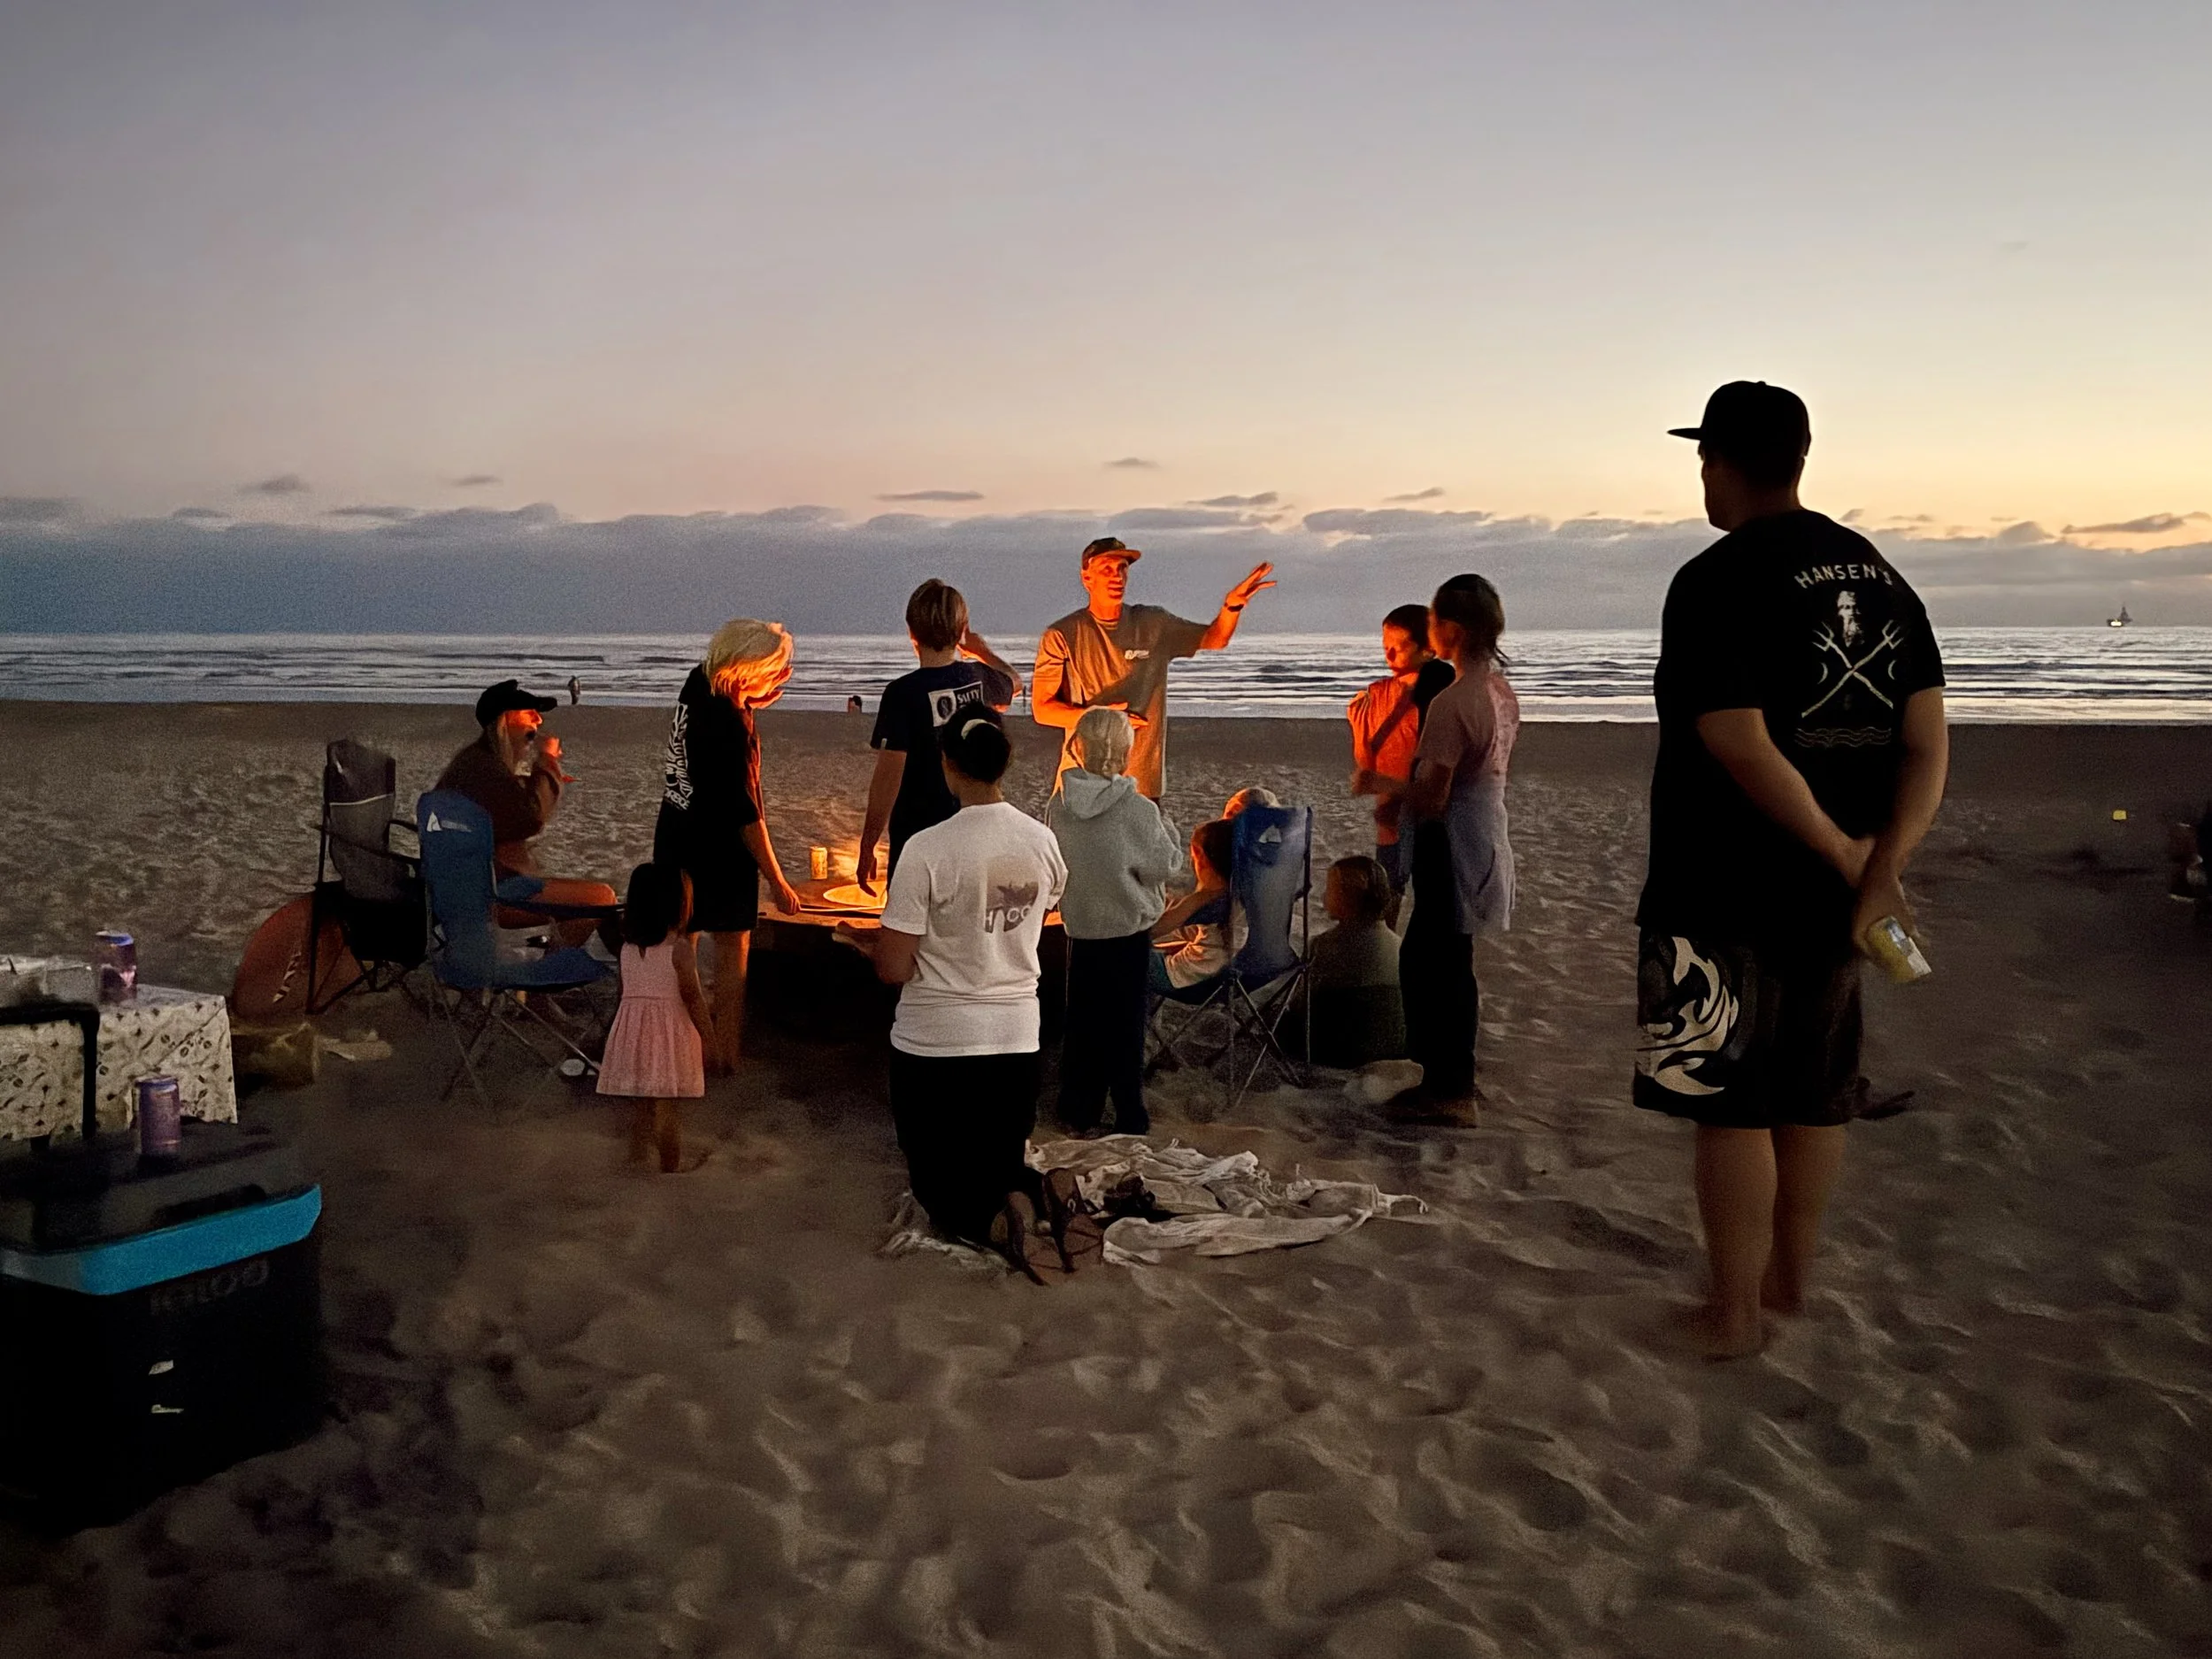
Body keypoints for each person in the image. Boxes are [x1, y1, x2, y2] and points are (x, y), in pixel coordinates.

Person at [1635, 380, 1947, 1360]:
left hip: (1720, 882)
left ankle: (1731, 1312)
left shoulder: (1714, 578)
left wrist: (1847, 850)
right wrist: (1881, 862)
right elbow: (1926, 744)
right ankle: (1788, 1285)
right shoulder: (1881, 577)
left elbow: (1735, 737)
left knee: (1729, 1101)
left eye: (1704, 460)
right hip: (1836, 898)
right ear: (1801, 458)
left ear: (1717, 462)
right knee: (1814, 1091)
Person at [840, 710, 1072, 1279]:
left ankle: (997, 1223)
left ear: (947, 766)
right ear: (1003, 765)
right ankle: (1037, 1194)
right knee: (998, 1159)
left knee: (937, 1183)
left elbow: (895, 969)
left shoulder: (927, 848)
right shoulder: (1042, 840)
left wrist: (869, 946)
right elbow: (1035, 914)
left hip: (938, 1045)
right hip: (1016, 1039)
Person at [1395, 574, 1520, 1125]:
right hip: (1486, 830)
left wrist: (1384, 785)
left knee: (1431, 965)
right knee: (1449, 960)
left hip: (1450, 842)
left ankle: (1449, 1088)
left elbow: (1433, 795)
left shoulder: (1453, 701)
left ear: (1452, 628)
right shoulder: (1500, 691)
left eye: (1433, 619)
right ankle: (1450, 1079)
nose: (1429, 629)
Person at [654, 619, 805, 1073]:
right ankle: (725, 1054)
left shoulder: (699, 682)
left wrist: (756, 696)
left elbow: (709, 743)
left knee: (682, 940)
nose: (775, 679)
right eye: (771, 670)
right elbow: (747, 815)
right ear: (746, 667)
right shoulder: (731, 726)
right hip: (720, 848)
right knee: (732, 951)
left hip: (676, 832)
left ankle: (688, 1040)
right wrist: (777, 880)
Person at [1032, 536, 1277, 800]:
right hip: (1083, 780)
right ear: (1087, 578)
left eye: (1122, 568)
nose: (1117, 577)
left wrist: (1232, 606)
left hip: (1142, 781)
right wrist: (1104, 718)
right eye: (1106, 569)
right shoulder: (1062, 634)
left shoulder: (1154, 623)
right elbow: (1043, 710)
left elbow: (1214, 639)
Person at [1046, 708, 1186, 1136]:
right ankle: (1129, 1111)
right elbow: (1164, 866)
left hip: (1081, 928)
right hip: (1127, 930)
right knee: (1125, 1025)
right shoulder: (1137, 808)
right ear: (1125, 753)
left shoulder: (1059, 806)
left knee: (1083, 1022)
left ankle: (1079, 1107)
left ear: (1078, 748)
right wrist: (1170, 830)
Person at [858, 579, 1021, 890]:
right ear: (961, 632)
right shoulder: (978, 677)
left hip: (919, 832)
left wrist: (868, 843)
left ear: (911, 632)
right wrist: (980, 650)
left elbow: (888, 777)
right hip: (975, 825)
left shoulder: (903, 693)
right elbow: (1014, 682)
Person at [435, 679, 618, 941]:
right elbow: (531, 817)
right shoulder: (483, 770)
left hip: (466, 887)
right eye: (529, 713)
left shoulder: (474, 763)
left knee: (591, 901)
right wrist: (547, 761)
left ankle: (567, 958)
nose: (538, 720)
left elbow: (501, 805)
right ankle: (557, 965)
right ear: (504, 721)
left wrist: (534, 780)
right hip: (491, 895)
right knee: (600, 898)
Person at [596, 863, 715, 1173]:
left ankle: (636, 1161)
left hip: (633, 1036)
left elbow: (624, 995)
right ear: (678, 907)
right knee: (666, 1109)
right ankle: (669, 1169)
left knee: (641, 1107)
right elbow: (692, 998)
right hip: (667, 1038)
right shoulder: (679, 949)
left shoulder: (626, 950)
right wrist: (709, 1038)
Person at [1348, 605, 1456, 890]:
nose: (1390, 654)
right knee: (1387, 897)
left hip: (1431, 819)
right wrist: (1360, 732)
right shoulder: (1378, 692)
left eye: (1400, 646)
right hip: (1389, 823)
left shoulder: (1440, 694)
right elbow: (1367, 768)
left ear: (1428, 649)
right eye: (1386, 646)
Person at [1307, 855, 1405, 1068]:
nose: (1324, 896)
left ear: (1348, 897)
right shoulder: (1399, 946)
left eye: (1331, 889)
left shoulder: (1325, 945)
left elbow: (1302, 1005)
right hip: (1393, 1046)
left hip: (1341, 1049)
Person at [1151, 818, 1240, 990]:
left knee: (1118, 954)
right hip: (1234, 972)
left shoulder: (1206, 900)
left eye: (1194, 855)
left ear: (1203, 859)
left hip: (1193, 979)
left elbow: (1152, 931)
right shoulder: (1245, 891)